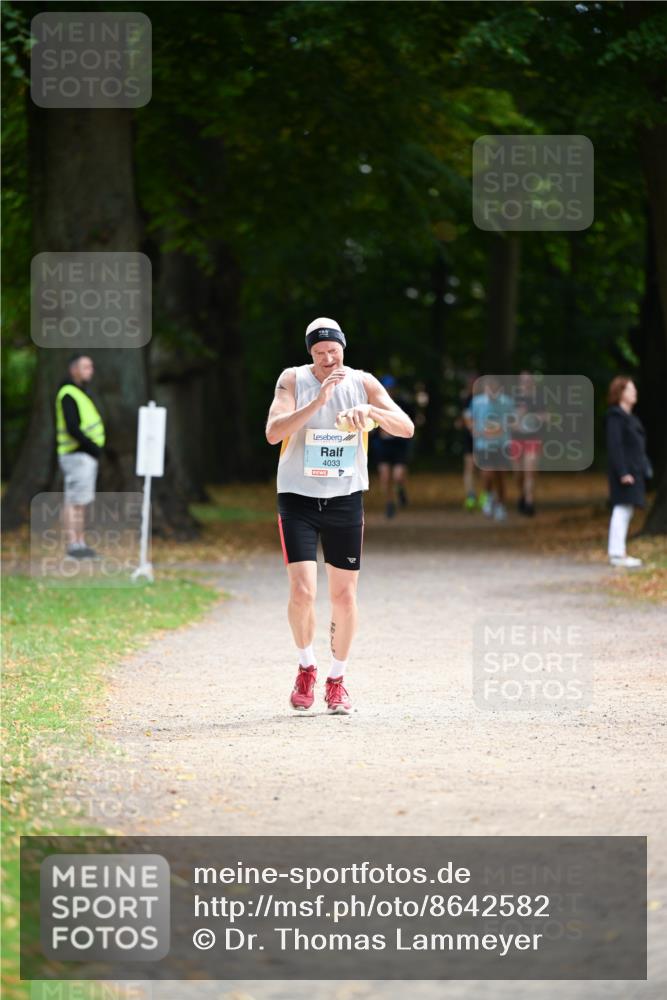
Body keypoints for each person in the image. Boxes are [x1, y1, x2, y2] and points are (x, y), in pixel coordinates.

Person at [265, 317, 414, 715]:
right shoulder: (292, 380)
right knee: (303, 592)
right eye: (320, 354)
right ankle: (306, 666)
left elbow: (407, 427)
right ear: (309, 353)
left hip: (345, 498)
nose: (329, 360)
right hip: (297, 496)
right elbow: (273, 432)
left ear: (343, 348)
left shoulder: (363, 382)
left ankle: (336, 679)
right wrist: (316, 402)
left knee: (344, 596)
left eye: (334, 352)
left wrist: (371, 412)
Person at [55, 354, 105, 558]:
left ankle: (80, 543)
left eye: (91, 366)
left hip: (83, 456)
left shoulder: (79, 393)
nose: (90, 370)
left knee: (80, 502)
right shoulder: (69, 394)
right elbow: (72, 427)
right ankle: (73, 546)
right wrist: (92, 447)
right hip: (76, 455)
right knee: (74, 501)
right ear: (73, 369)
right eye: (86, 367)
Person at [606, 376, 650, 568]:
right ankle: (616, 553)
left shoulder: (629, 418)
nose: (635, 393)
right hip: (624, 472)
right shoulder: (615, 418)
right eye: (630, 390)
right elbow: (615, 447)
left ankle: (619, 551)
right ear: (620, 393)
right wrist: (623, 472)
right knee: (621, 510)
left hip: (634, 471)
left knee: (626, 510)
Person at [471, 375, 514, 521]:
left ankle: (501, 505)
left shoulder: (507, 402)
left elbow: (513, 420)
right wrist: (475, 430)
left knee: (500, 475)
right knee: (487, 473)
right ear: (484, 389)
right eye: (489, 388)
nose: (491, 391)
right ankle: (488, 497)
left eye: (494, 388)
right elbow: (471, 419)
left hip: (502, 444)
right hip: (483, 444)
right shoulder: (477, 402)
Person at [374, 374, 415, 518]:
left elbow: (410, 424)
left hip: (399, 445)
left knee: (398, 476)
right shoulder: (375, 405)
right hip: (383, 446)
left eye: (391, 388)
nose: (389, 391)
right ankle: (390, 503)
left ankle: (400, 489)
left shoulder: (403, 404)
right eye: (387, 388)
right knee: (385, 477)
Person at [508, 370, 546, 517]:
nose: (526, 383)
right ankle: (522, 495)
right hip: (516, 439)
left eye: (529, 380)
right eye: (523, 380)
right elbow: (508, 421)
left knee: (529, 472)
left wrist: (534, 416)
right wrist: (517, 419)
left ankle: (530, 502)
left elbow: (547, 416)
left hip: (532, 438)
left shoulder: (539, 398)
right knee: (518, 474)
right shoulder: (513, 399)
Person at [458, 373, 479, 511]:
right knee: (469, 466)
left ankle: (486, 493)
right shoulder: (465, 399)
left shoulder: (484, 399)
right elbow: (464, 418)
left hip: (484, 437)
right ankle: (470, 495)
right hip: (470, 438)